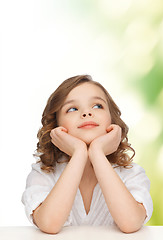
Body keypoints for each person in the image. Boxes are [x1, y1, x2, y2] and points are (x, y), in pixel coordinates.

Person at [21, 75, 153, 234]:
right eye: (72, 109)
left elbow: (131, 223)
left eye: (97, 106)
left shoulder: (131, 173)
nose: (86, 113)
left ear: (112, 120)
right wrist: (79, 153)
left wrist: (97, 152)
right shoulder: (43, 174)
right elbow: (49, 224)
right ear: (56, 126)